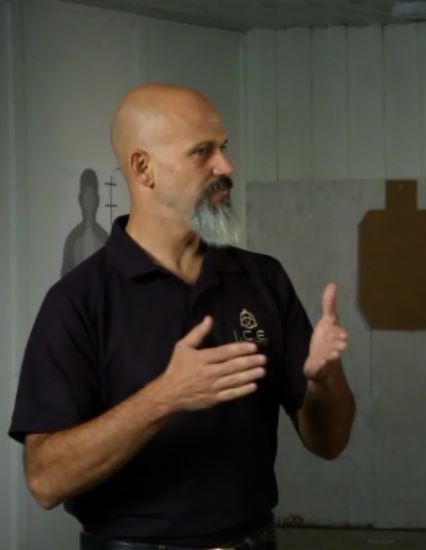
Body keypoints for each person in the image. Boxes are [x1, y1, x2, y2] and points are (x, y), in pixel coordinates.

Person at [9, 83, 356, 550]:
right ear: (142, 168)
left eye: (225, 148)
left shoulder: (262, 278)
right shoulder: (78, 301)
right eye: (202, 152)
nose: (226, 167)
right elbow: (45, 479)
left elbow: (329, 442)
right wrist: (165, 398)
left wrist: (326, 382)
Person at [61, 168, 110, 276]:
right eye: (86, 195)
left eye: (92, 195)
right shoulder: (73, 238)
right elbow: (65, 277)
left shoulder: (104, 237)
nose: (89, 199)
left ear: (97, 199)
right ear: (81, 198)